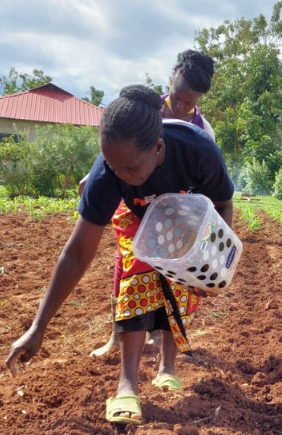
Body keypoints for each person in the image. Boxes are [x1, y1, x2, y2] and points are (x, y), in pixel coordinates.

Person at [6, 85, 234, 424]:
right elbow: (77, 252)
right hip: (136, 213)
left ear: (158, 149)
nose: (119, 174)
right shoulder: (108, 172)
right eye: (111, 166)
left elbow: (224, 203)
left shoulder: (198, 151)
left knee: (181, 281)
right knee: (137, 277)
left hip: (187, 211)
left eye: (128, 169)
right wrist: (38, 327)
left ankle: (167, 366)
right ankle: (127, 384)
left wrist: (208, 261)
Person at [85, 49, 216, 358]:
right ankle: (117, 336)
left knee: (171, 270)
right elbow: (113, 149)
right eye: (176, 98)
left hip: (173, 210)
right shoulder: (143, 112)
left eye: (189, 102)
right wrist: (90, 177)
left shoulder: (202, 130)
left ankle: (160, 333)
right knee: (126, 265)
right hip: (133, 200)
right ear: (169, 83)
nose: (181, 106)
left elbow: (207, 180)